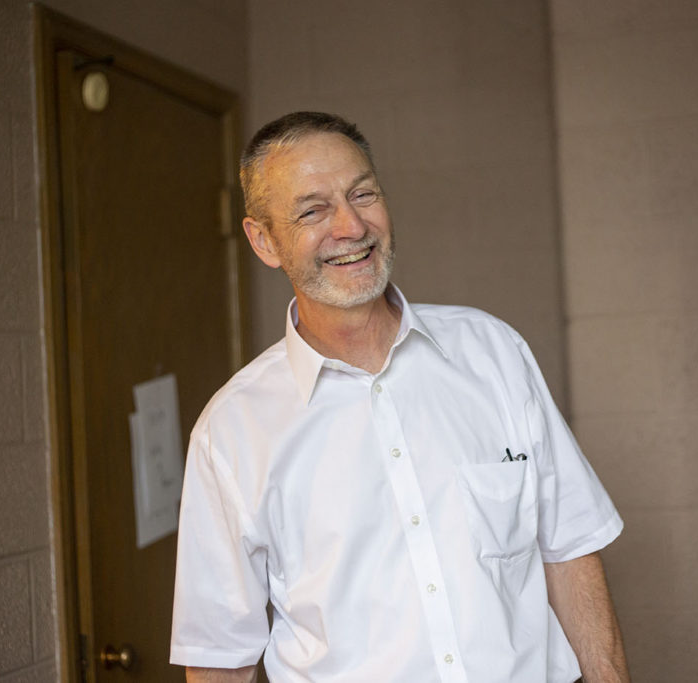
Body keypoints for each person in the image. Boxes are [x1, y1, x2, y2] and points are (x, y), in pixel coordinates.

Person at [170, 111, 629, 683]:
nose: (351, 226)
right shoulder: (232, 431)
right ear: (264, 240)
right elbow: (220, 660)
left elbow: (571, 548)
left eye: (363, 194)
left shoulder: (492, 352)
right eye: (313, 210)